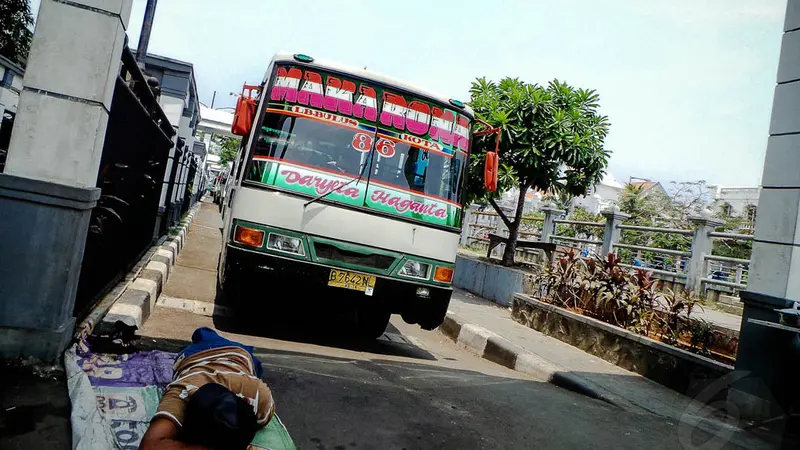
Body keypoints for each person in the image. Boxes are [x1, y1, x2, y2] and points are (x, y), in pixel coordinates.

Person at [140, 327, 275, 450]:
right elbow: (149, 446)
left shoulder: (258, 395)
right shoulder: (182, 393)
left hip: (239, 356)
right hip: (197, 355)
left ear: (246, 400)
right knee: (202, 334)